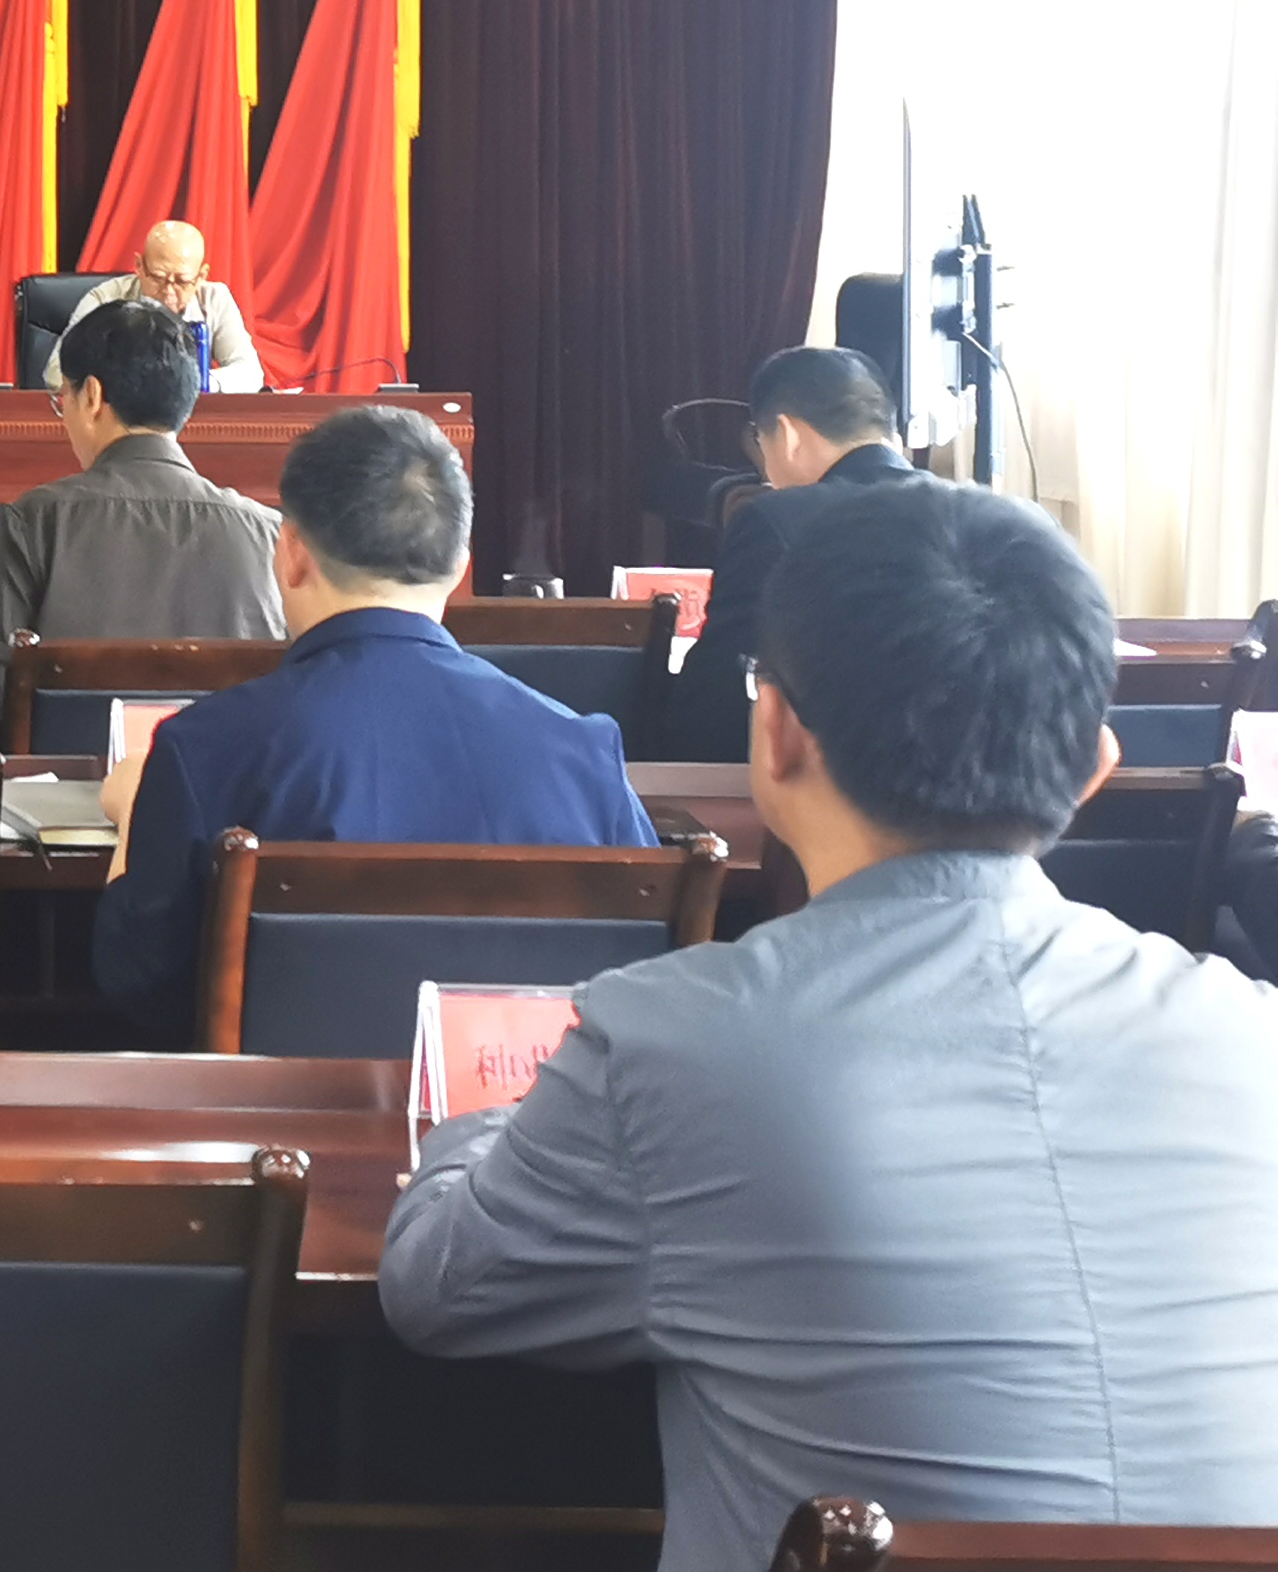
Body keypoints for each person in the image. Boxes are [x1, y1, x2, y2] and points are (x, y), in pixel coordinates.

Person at [382, 481, 1278, 1572]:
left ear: (775, 733)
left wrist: (476, 1125)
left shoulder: (674, 1045)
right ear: (1096, 767)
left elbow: (438, 1289)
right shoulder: (1255, 1035)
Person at [91, 404, 655, 1035]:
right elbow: (644, 970)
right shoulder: (582, 750)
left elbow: (140, 984)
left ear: (291, 554)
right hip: (531, 1094)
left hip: (285, 1097)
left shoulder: (205, 747)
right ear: (460, 566)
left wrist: (134, 819)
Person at [0, 296, 284, 735]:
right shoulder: (267, 532)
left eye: (62, 400)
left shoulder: (39, 519)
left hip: (67, 777)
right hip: (225, 777)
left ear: (91, 395)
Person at [656, 343, 924, 763]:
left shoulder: (778, 522)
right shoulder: (996, 519)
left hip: (835, 777)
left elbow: (719, 695)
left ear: (788, 434)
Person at [72, 220, 264, 394]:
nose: (168, 292)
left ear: (201, 276)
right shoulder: (105, 298)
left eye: (182, 281)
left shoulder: (214, 299)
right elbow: (62, 368)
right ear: (139, 266)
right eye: (158, 278)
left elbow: (250, 372)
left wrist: (201, 383)